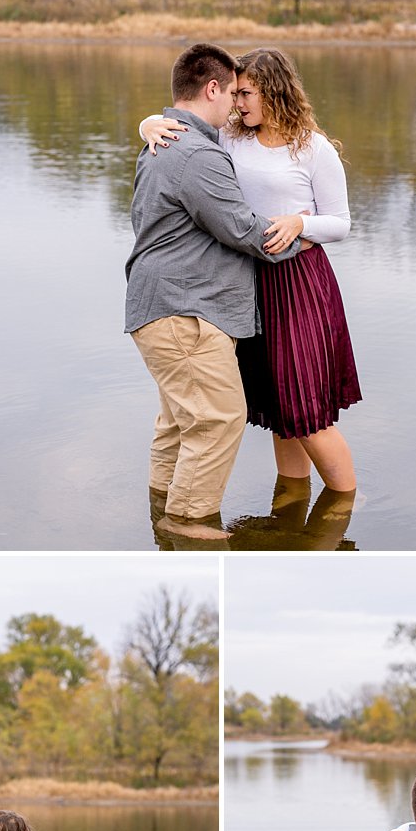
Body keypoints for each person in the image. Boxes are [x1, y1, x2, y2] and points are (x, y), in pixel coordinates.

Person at [139, 46, 361, 499]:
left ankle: (343, 507)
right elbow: (186, 149)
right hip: (247, 279)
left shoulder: (313, 148)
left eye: (247, 93)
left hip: (298, 279)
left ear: (274, 91)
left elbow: (341, 222)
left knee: (306, 410)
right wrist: (146, 125)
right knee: (281, 406)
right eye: (235, 93)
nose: (238, 103)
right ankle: (292, 508)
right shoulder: (232, 140)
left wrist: (301, 223)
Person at [125, 42, 307, 542]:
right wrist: (305, 235)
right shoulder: (198, 154)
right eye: (231, 93)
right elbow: (245, 230)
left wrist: (146, 122)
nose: (235, 106)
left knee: (178, 424)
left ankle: (163, 515)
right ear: (211, 89)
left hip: (158, 307)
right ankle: (187, 525)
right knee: (220, 418)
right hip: (185, 311)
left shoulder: (161, 140)